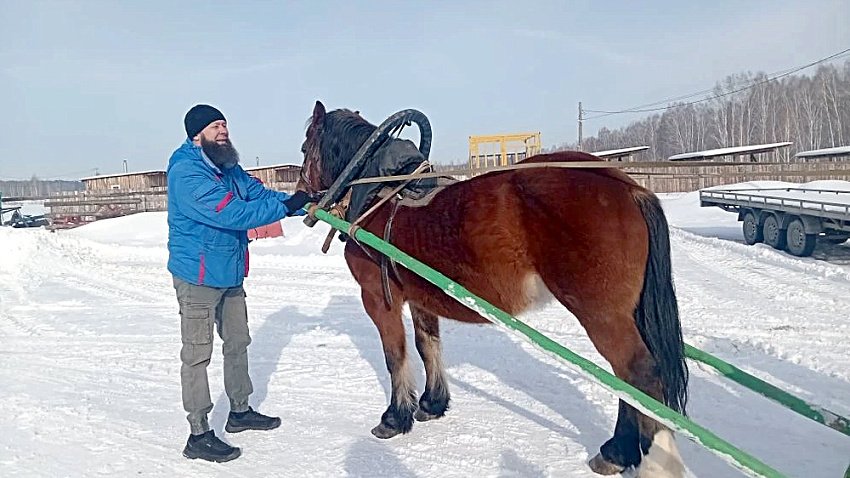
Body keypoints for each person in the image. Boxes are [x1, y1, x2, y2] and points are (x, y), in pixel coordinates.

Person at [166, 104, 315, 462]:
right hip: (198, 275)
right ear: (195, 134)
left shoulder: (227, 166)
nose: (223, 130)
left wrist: (302, 203)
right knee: (197, 353)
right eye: (215, 126)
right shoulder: (186, 172)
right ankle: (198, 433)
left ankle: (239, 411)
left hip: (230, 272)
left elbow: (258, 196)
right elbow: (233, 212)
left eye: (225, 124)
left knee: (237, 342)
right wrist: (286, 207)